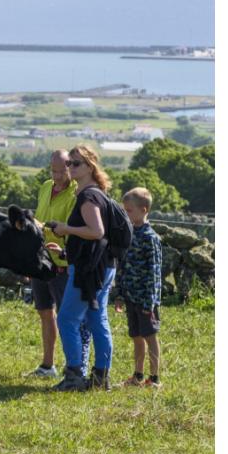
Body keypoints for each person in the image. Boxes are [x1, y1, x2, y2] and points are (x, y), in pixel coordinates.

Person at [47, 145, 118, 391]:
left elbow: (96, 232)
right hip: (103, 267)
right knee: (97, 319)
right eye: (69, 163)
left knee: (67, 319)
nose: (70, 168)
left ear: (90, 167)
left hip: (89, 270)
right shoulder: (99, 194)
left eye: (75, 164)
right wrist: (67, 252)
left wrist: (66, 229)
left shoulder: (88, 197)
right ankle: (101, 377)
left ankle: (75, 376)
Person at [22, 150, 91, 379]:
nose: (59, 175)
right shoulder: (45, 187)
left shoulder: (76, 193)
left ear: (70, 167)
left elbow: (70, 226)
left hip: (63, 261)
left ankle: (76, 366)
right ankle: (47, 364)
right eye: (54, 171)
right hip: (41, 260)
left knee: (68, 317)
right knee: (45, 312)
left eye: (63, 171)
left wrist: (42, 227)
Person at [115, 187, 164, 389]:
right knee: (136, 336)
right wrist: (119, 294)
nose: (126, 214)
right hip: (130, 297)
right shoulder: (128, 234)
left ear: (144, 210)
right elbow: (122, 264)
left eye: (129, 211)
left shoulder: (150, 238)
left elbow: (154, 273)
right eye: (124, 210)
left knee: (150, 337)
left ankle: (154, 378)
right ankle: (137, 375)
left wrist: (149, 303)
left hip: (145, 300)